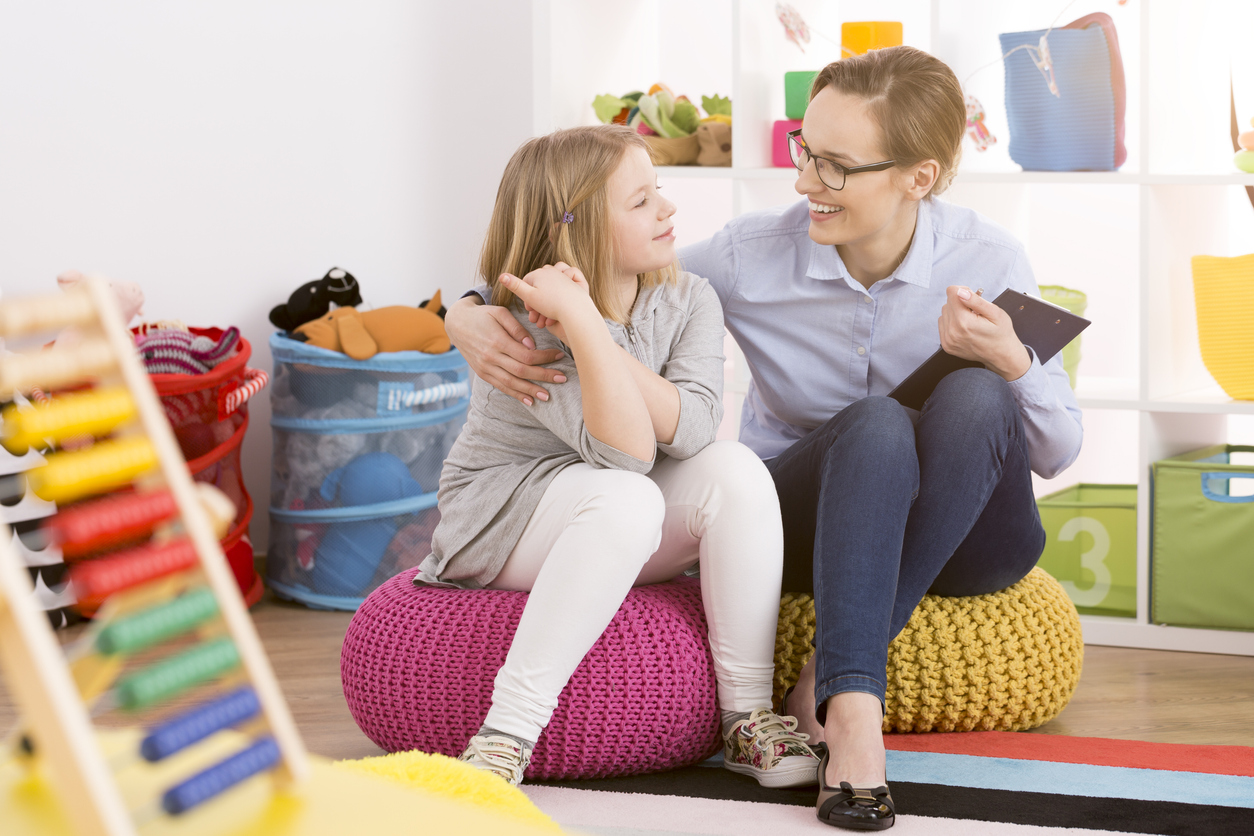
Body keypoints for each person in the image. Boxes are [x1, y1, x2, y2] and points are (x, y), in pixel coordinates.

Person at [445, 47, 1083, 829]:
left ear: (918, 177)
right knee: (878, 425)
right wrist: (467, 310)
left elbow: (1056, 452)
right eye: (804, 151)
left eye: (836, 166)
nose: (805, 182)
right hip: (816, 517)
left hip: (970, 536)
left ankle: (833, 668)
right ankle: (854, 717)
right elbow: (587, 243)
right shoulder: (753, 256)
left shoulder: (990, 259)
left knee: (979, 393)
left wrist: (1012, 359)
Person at [416, 124, 820, 789]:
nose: (667, 209)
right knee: (628, 495)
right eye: (640, 202)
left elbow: (692, 429)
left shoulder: (687, 297)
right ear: (573, 229)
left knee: (738, 471)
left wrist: (589, 326)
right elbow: (627, 456)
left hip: (606, 509)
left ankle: (746, 718)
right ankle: (506, 733)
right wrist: (576, 321)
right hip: (504, 519)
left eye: (658, 190)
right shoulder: (524, 320)